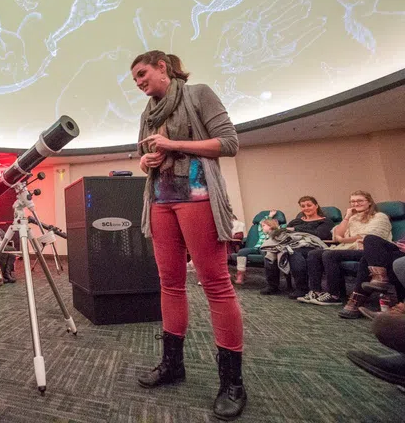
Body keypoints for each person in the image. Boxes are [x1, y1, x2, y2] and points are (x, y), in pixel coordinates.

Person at [131, 50, 245, 420]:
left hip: (199, 199)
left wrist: (173, 145)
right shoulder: (148, 113)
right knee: (170, 283)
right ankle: (172, 365)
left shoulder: (198, 94)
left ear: (163, 67)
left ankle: (232, 382)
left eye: (142, 73)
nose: (138, 82)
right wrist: (146, 160)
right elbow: (146, 155)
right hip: (160, 201)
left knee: (216, 284)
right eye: (134, 78)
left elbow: (228, 143)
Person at [300, 191, 392, 306]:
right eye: (353, 201)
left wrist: (342, 240)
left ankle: (334, 295)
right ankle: (315, 291)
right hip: (350, 247)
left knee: (329, 254)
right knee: (314, 254)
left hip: (369, 251)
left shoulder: (380, 216)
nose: (356, 204)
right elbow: (337, 234)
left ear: (369, 202)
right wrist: (347, 217)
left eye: (360, 201)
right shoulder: (353, 218)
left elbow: (370, 237)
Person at [341, 234, 405, 319]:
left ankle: (357, 301)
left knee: (366, 259)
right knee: (370, 239)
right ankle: (379, 278)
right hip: (399, 252)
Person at [259, 219, 326, 298]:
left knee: (293, 253)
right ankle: (272, 286)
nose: (306, 208)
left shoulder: (324, 220)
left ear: (316, 206)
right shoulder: (296, 220)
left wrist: (295, 229)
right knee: (271, 253)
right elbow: (285, 231)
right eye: (303, 206)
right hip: (289, 241)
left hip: (308, 243)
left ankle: (302, 288)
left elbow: (321, 234)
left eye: (309, 205)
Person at [234, 209, 278, 285]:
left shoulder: (275, 232)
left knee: (266, 254)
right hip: (257, 248)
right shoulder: (261, 231)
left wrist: (271, 217)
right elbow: (262, 221)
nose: (262, 227)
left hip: (266, 249)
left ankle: (270, 279)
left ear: (270, 226)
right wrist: (269, 216)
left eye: (264, 226)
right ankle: (241, 273)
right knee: (242, 251)